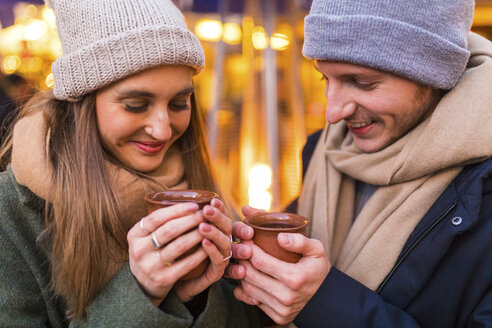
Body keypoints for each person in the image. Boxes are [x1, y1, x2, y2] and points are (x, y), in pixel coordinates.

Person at [227, 0, 492, 327]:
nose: (332, 113)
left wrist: (323, 301)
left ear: (435, 74)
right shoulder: (325, 150)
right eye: (325, 79)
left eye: (363, 82)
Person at [0, 0, 260, 326]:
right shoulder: (10, 213)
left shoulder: (198, 183)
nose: (163, 129)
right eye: (136, 105)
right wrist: (141, 293)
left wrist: (192, 297)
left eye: (180, 103)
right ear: (83, 101)